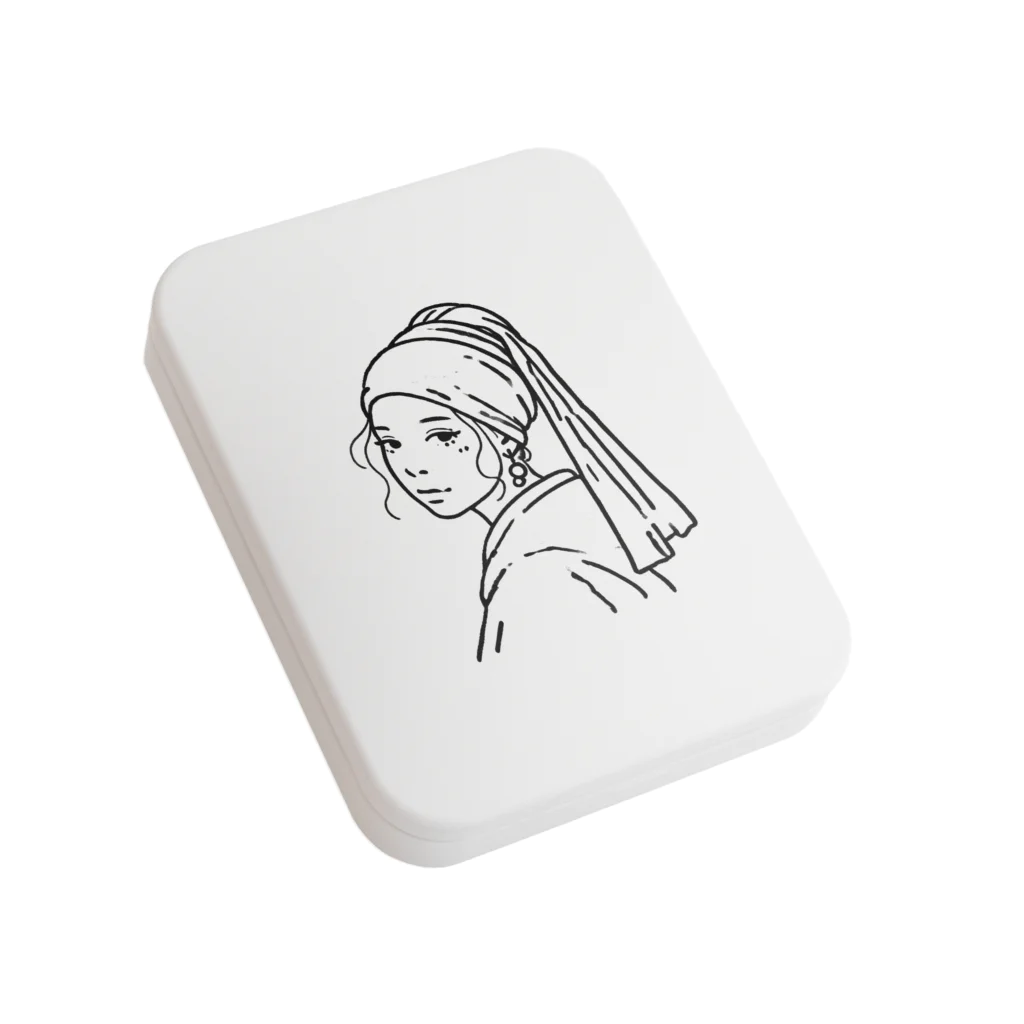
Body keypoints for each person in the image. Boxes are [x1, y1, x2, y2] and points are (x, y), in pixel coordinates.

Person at [351, 303, 697, 661]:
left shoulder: (537, 574)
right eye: (391, 443)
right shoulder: (586, 514)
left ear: (503, 431)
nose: (413, 466)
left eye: (441, 436)